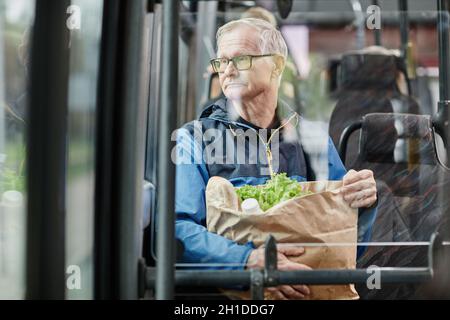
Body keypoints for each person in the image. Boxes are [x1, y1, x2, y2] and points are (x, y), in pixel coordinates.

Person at [174, 18, 378, 300]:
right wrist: (247, 263)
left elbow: (344, 238)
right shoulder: (193, 138)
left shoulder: (312, 139)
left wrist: (363, 203)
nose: (229, 70)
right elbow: (176, 230)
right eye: (222, 62)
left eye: (241, 59)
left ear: (277, 66)